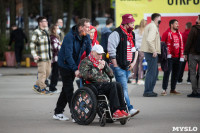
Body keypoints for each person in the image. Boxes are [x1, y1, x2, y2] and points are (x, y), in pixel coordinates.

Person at [53, 18, 91, 121]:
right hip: (65, 64)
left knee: (66, 89)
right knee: (69, 89)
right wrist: (75, 69)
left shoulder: (86, 37)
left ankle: (58, 112)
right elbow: (68, 55)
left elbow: (89, 53)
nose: (89, 29)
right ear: (80, 27)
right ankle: (75, 114)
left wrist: (92, 64)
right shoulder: (69, 37)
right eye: (87, 27)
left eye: (89, 27)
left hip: (73, 64)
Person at [79, 45, 130, 119]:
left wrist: (105, 66)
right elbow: (86, 76)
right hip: (92, 85)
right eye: (98, 54)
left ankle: (122, 109)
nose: (100, 56)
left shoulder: (101, 61)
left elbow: (111, 75)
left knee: (118, 85)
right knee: (112, 86)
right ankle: (115, 111)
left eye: (101, 54)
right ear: (92, 53)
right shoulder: (85, 62)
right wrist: (97, 68)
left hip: (103, 83)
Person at [108, 14, 139, 117]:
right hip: (119, 67)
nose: (133, 25)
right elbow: (111, 51)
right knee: (124, 89)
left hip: (127, 66)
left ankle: (123, 109)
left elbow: (136, 50)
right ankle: (129, 108)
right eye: (131, 23)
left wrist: (133, 63)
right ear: (125, 24)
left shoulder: (131, 34)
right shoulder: (116, 34)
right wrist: (116, 66)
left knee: (122, 89)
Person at [140, 13, 161, 97]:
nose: (160, 20)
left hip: (149, 51)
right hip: (151, 52)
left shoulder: (150, 26)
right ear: (156, 18)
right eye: (160, 18)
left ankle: (149, 90)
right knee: (152, 72)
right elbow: (149, 40)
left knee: (153, 72)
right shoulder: (153, 26)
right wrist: (154, 50)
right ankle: (148, 91)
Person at [161, 19, 184, 96]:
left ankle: (173, 89)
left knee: (176, 74)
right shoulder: (166, 33)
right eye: (176, 23)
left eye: (178, 23)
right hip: (169, 57)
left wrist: (182, 56)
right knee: (167, 73)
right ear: (171, 25)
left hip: (178, 57)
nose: (178, 25)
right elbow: (162, 45)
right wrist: (164, 55)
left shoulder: (179, 34)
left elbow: (181, 45)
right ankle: (164, 89)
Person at [30, 16, 52, 95]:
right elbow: (32, 45)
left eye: (46, 21)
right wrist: (34, 55)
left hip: (48, 57)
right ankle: (43, 89)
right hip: (41, 57)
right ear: (40, 23)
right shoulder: (36, 32)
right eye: (45, 21)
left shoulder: (47, 31)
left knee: (48, 73)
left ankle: (36, 85)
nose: (47, 22)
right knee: (42, 73)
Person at [184, 15, 200, 98]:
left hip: (193, 54)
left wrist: (185, 53)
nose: (196, 19)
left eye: (197, 18)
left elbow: (189, 42)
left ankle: (195, 92)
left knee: (192, 73)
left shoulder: (194, 29)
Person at [131, 19, 147, 85]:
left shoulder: (135, 31)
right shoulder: (146, 31)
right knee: (141, 65)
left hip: (135, 49)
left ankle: (134, 79)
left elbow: (132, 40)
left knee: (135, 64)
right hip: (142, 50)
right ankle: (140, 79)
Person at [48, 24, 61, 93]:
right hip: (55, 58)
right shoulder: (52, 38)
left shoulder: (55, 37)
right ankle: (52, 88)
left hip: (57, 58)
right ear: (53, 30)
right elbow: (55, 48)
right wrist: (60, 49)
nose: (58, 29)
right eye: (57, 28)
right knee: (55, 73)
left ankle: (53, 87)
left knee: (56, 73)